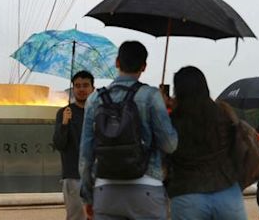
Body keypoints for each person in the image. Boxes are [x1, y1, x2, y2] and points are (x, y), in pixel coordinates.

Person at [79, 41, 178, 220]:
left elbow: (86, 154)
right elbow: (169, 145)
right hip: (147, 187)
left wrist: (87, 196)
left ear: (117, 62)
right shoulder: (150, 96)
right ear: (144, 66)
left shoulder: (94, 98)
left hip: (105, 189)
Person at [166, 66, 247, 220]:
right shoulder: (223, 113)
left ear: (178, 90)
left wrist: (163, 109)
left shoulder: (173, 120)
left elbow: (166, 150)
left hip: (186, 194)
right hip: (227, 190)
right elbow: (238, 147)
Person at [53, 70, 95, 220]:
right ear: (73, 88)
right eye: (77, 86)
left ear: (93, 88)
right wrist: (64, 123)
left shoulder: (98, 112)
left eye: (85, 85)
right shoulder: (64, 112)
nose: (81, 89)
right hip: (73, 175)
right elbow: (59, 144)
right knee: (76, 216)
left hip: (97, 175)